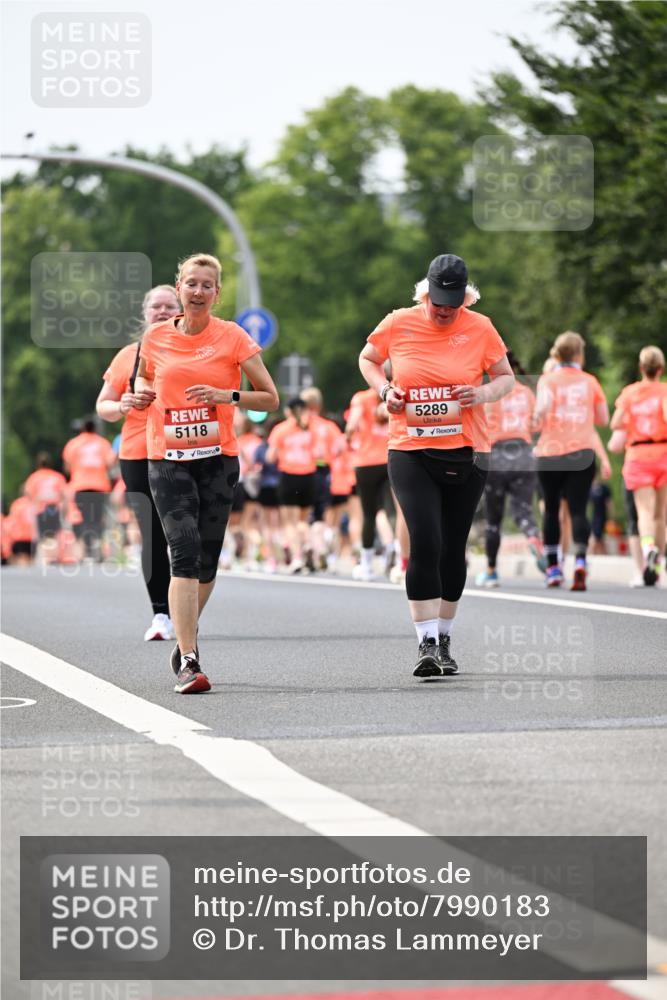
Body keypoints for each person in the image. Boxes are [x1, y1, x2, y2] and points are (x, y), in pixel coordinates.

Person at [359, 253, 514, 678]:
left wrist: (480, 395)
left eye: (454, 303)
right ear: (425, 292)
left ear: (466, 296)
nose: (445, 311)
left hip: (467, 450)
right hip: (409, 448)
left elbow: (505, 378)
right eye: (439, 302)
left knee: (452, 545)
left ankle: (444, 635)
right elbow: (368, 359)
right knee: (425, 539)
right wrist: (384, 389)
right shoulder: (398, 321)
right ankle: (425, 643)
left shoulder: (480, 327)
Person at [135, 253, 279, 693]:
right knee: (183, 548)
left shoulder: (233, 337)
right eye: (191, 283)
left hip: (218, 460)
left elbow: (270, 398)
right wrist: (141, 397)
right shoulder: (155, 337)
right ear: (179, 287)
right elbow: (143, 381)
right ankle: (190, 659)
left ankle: (183, 640)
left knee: (207, 561)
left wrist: (226, 394)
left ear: (217, 293)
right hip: (167, 460)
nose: (198, 292)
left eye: (207, 285)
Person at [96, 284, 181, 640]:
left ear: (180, 310)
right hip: (137, 452)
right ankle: (161, 615)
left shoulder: (190, 352)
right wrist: (125, 404)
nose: (161, 312)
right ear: (144, 313)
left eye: (168, 306)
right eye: (155, 306)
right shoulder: (128, 355)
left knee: (181, 532)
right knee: (151, 533)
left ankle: (186, 610)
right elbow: (104, 405)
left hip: (181, 450)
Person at [533, 331, 609, 591]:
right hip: (581, 452)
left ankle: (553, 568)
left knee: (552, 510)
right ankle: (579, 561)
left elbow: (539, 415)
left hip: (550, 452)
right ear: (579, 354)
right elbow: (603, 419)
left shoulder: (547, 380)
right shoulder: (590, 381)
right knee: (578, 510)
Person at [476, 352, 544, 587]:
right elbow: (537, 424)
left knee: (493, 520)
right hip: (524, 454)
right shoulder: (526, 393)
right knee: (523, 511)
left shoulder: (489, 394)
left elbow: (479, 426)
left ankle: (491, 571)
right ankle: (534, 537)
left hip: (497, 456)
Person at [610, 345, 667, 586]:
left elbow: (615, 423)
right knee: (660, 515)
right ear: (661, 368)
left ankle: (648, 547)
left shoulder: (630, 393)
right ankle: (658, 563)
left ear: (641, 368)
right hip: (663, 451)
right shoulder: (664, 391)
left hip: (638, 455)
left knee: (643, 511)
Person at [346, 385, 395, 581]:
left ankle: (366, 564)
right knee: (388, 510)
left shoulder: (362, 398)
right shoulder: (395, 395)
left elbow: (351, 424)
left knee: (369, 513)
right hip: (390, 458)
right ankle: (393, 546)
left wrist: (351, 439)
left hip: (366, 462)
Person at [267, 397, 318, 572]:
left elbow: (270, 457)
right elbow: (320, 453)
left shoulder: (281, 429)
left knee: (290, 522)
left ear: (288, 411)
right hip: (309, 476)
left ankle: (297, 558)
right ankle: (309, 544)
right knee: (303, 521)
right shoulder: (312, 428)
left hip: (289, 476)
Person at [62, 418, 116, 560]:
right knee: (97, 518)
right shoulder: (103, 443)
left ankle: (87, 550)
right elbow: (110, 463)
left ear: (82, 429)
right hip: (99, 485)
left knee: (85, 518)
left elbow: (67, 467)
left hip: (80, 485)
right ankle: (95, 546)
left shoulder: (73, 444)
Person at [23, 452, 68, 562]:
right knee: (53, 534)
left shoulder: (34, 477)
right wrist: (64, 510)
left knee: (43, 536)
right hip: (53, 508)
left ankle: (45, 559)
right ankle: (53, 556)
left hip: (41, 509)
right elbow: (64, 495)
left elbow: (27, 494)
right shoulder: (57, 477)